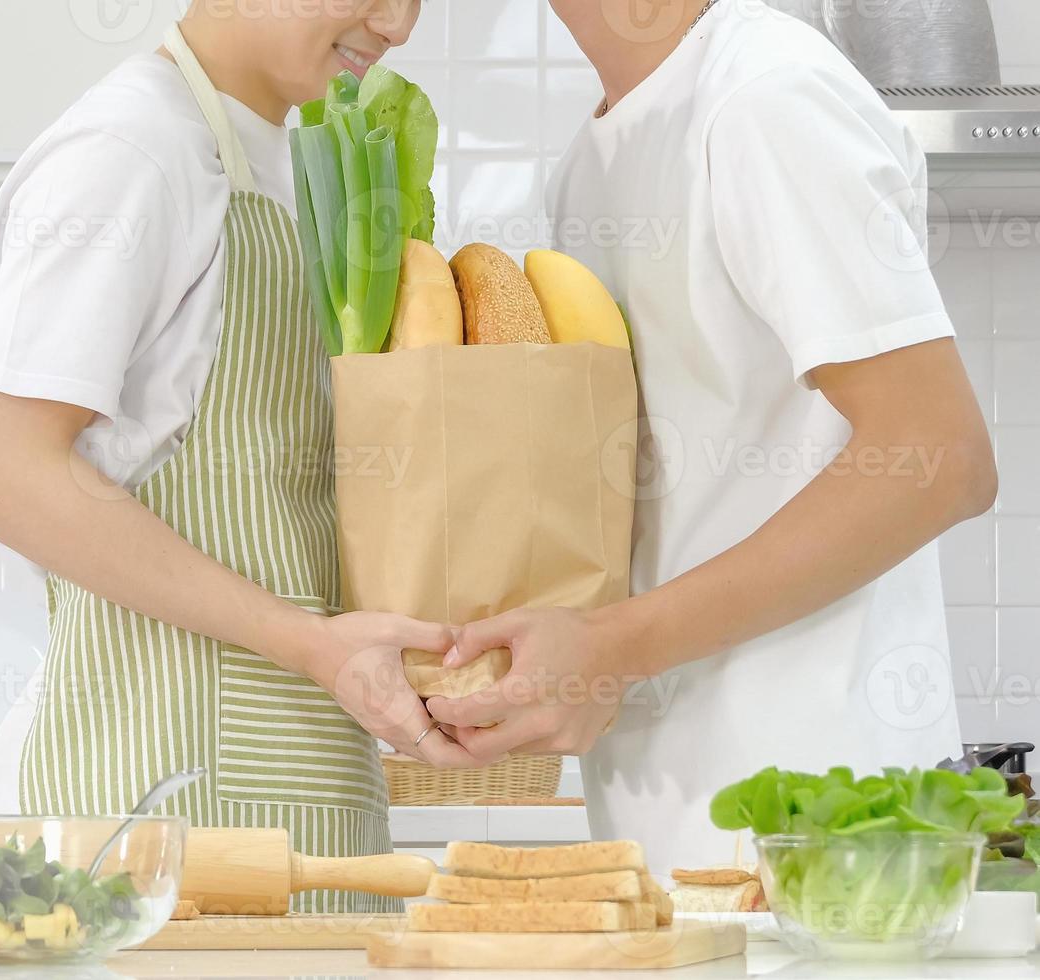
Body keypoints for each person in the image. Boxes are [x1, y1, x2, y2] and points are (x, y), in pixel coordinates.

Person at [428, 0, 998, 871]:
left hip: (820, 817)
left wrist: (611, 650)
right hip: (664, 809)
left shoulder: (765, 95)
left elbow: (939, 460)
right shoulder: (593, 154)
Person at [0, 1, 469, 911]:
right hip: (145, 802)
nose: (400, 24)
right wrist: (312, 646)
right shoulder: (134, 153)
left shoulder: (289, 166)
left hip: (304, 786)